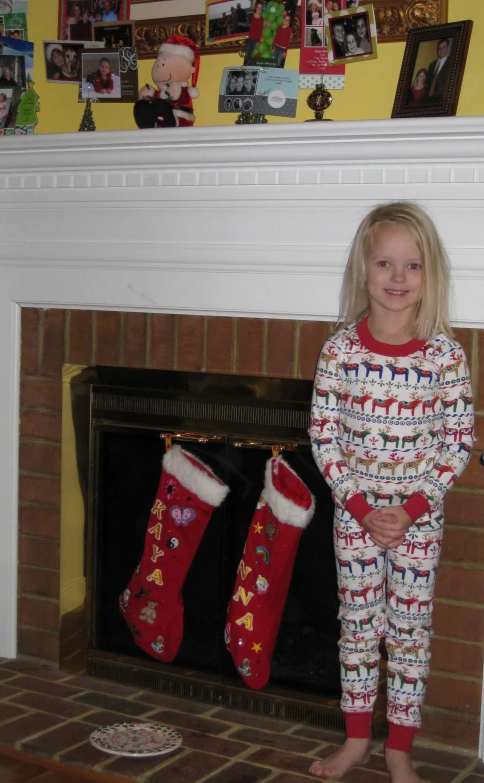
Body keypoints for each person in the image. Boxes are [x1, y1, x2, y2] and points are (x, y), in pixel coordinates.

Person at [308, 201, 474, 783]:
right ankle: (356, 739)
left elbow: (458, 443)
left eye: (413, 265)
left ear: (431, 275)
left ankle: (398, 748)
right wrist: (359, 508)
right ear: (363, 269)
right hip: (354, 519)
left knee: (409, 632)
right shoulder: (340, 351)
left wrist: (409, 510)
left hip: (417, 522)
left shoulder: (446, 358)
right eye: (385, 263)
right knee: (358, 624)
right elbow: (324, 436)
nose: (398, 279)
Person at [425, 38, 450, 103]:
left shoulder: (452, 63)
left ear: (447, 48)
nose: (441, 50)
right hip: (428, 99)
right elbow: (427, 81)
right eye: (439, 48)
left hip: (443, 100)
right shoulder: (432, 64)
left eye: (443, 47)